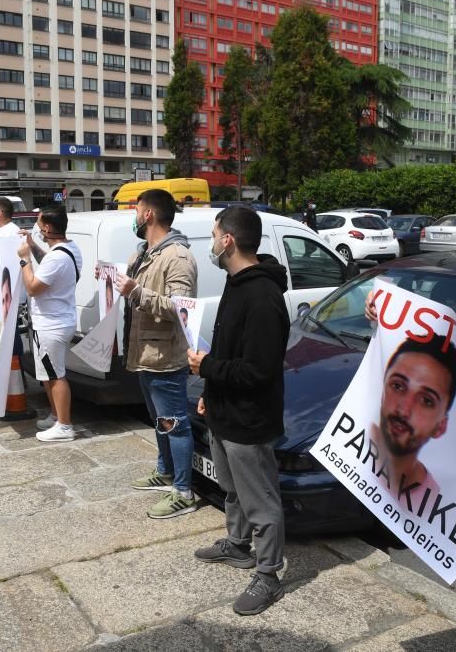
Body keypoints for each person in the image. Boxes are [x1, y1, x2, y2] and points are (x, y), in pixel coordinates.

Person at [187, 206, 290, 616]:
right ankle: (238, 545)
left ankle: (268, 574)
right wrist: (210, 392)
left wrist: (206, 368)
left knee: (260, 499)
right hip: (224, 410)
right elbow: (231, 350)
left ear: (227, 239)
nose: (212, 243)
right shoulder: (236, 282)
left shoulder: (263, 296)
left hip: (249, 419)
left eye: (214, 235)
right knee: (232, 488)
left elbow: (260, 370)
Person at [118, 189, 199, 519]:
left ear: (148, 214)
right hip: (145, 353)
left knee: (174, 423)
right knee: (159, 420)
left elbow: (181, 309)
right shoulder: (145, 253)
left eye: (137, 209)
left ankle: (184, 491)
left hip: (165, 357)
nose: (134, 216)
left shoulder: (177, 256)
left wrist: (137, 291)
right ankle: (165, 471)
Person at [370, 334, 456, 507]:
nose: (404, 410)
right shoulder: (347, 448)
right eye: (398, 386)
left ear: (441, 426)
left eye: (426, 400)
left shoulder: (435, 507)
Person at [18, 208, 82, 442]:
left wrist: (24, 259)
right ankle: (56, 416)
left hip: (52, 324)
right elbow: (48, 264)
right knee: (46, 373)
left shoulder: (58, 256)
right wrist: (32, 245)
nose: (36, 228)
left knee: (56, 375)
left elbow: (33, 287)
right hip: (52, 321)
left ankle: (65, 426)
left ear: (46, 228)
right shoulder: (69, 248)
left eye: (38, 224)